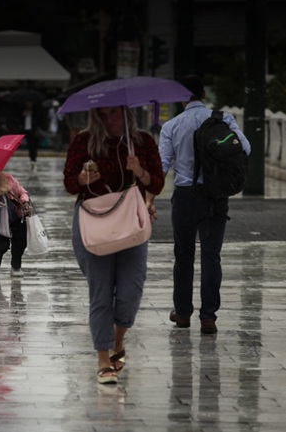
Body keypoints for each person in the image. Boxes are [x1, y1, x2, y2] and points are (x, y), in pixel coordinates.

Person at [63, 105, 164, 384]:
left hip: (130, 221)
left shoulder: (141, 141)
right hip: (93, 223)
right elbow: (70, 183)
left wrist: (139, 170)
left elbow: (157, 180)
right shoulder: (84, 141)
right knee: (101, 292)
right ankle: (103, 358)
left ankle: (118, 339)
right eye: (103, 114)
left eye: (115, 113)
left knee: (131, 290)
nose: (110, 119)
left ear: (126, 113)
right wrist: (82, 179)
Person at [158, 74, 251, 335]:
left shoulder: (172, 126)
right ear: (203, 95)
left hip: (186, 196)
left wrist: (147, 196)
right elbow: (246, 148)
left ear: (180, 97)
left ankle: (183, 313)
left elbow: (162, 166)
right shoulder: (223, 120)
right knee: (212, 256)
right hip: (216, 195)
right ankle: (208, 317)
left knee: (183, 256)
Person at [21, 101, 45, 172]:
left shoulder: (36, 112)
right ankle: (31, 158)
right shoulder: (24, 112)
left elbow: (40, 120)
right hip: (27, 130)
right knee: (30, 145)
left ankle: (33, 158)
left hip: (34, 131)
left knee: (34, 145)